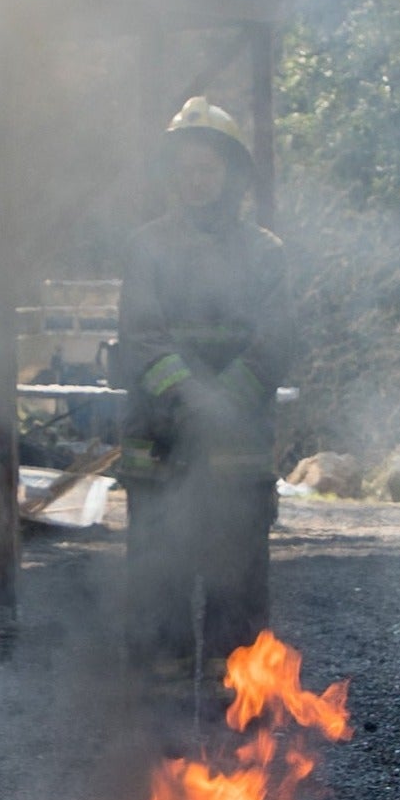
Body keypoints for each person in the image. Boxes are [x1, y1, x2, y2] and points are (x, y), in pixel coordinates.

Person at [114, 99, 294, 698]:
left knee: (236, 583)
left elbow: (275, 342)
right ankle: (159, 711)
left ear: (232, 176)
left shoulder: (265, 253)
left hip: (235, 455)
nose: (196, 181)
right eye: (186, 169)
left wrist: (220, 404)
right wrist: (193, 398)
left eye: (207, 170)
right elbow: (142, 336)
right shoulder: (146, 248)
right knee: (158, 581)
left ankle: (232, 711)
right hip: (160, 445)